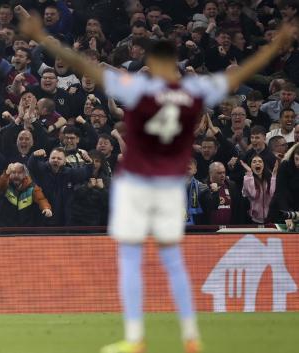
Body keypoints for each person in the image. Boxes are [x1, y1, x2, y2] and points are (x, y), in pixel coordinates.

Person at [19, 13, 296, 353]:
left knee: (131, 258)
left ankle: (135, 338)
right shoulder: (194, 90)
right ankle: (191, 336)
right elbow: (240, 73)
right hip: (169, 187)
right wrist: (277, 44)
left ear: (151, 62)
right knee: (173, 260)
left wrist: (43, 38)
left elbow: (86, 66)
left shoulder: (140, 88)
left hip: (136, 184)